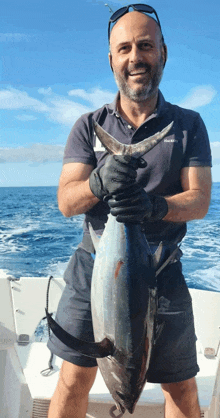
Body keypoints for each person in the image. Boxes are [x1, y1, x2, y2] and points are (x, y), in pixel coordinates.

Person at [47, 4, 212, 418]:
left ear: (163, 52)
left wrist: (155, 206)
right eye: (124, 48)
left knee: (181, 388)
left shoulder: (189, 124)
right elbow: (67, 201)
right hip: (95, 266)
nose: (135, 57)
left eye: (145, 46)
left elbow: (199, 200)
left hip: (161, 266)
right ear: (111, 59)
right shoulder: (89, 125)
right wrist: (97, 184)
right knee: (71, 380)